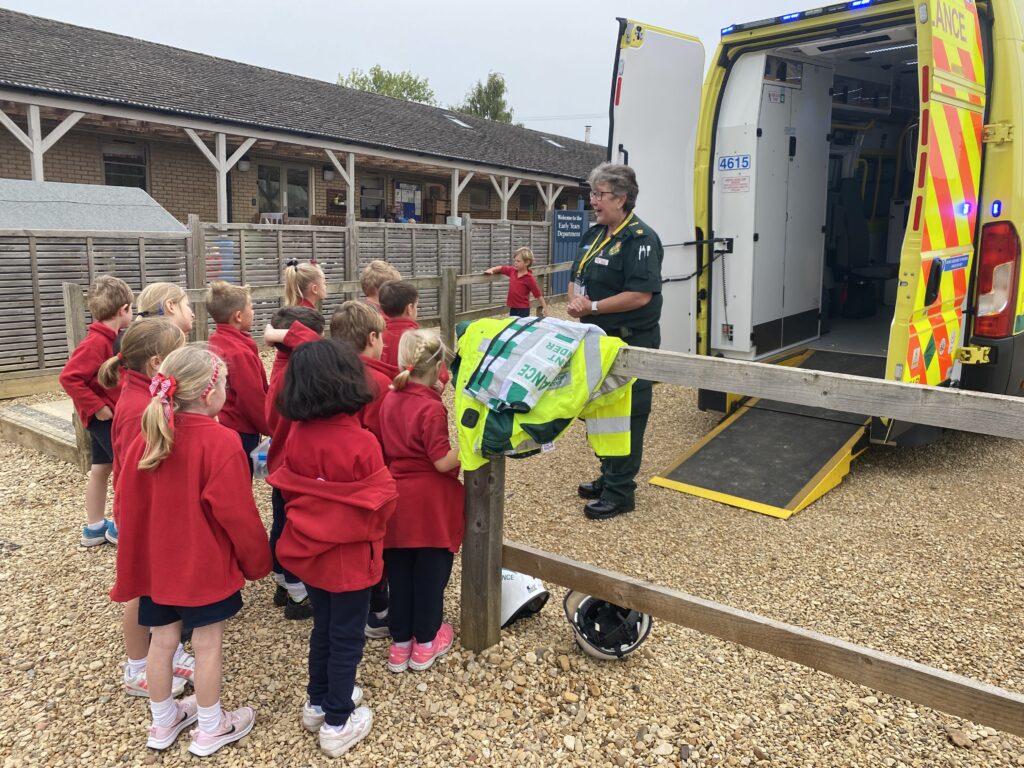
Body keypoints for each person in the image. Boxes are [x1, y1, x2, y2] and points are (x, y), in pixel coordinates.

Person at [111, 345, 272, 756]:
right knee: (207, 644)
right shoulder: (220, 443)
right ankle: (211, 725)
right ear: (207, 393)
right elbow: (238, 514)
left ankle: (163, 722)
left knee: (162, 642)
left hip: (156, 564)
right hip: (203, 564)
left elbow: (125, 504)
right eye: (226, 385)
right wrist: (258, 561)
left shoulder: (146, 437)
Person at [268, 340, 398, 758]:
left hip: (310, 553)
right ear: (348, 382)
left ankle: (318, 700)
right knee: (346, 638)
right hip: (350, 558)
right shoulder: (362, 442)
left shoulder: (298, 436)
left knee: (324, 628)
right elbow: (384, 505)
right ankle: (338, 720)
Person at [98, 318, 189, 698]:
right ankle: (137, 665)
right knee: (139, 586)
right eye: (179, 356)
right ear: (156, 364)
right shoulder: (140, 407)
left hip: (148, 508)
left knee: (158, 583)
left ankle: (169, 650)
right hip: (142, 512)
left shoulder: (143, 394)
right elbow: (140, 468)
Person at [567, 162, 664, 521]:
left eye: (600, 195)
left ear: (622, 198)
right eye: (592, 194)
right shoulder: (593, 235)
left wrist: (591, 305)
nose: (593, 201)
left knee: (629, 413)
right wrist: (576, 301)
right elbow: (578, 275)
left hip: (629, 342)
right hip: (597, 339)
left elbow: (640, 295)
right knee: (602, 409)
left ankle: (621, 491)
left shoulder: (640, 239)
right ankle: (609, 474)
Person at [377, 330, 463, 673]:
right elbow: (441, 461)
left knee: (399, 576)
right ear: (439, 368)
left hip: (397, 501)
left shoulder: (389, 399)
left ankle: (400, 646)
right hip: (429, 506)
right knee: (430, 575)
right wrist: (472, 446)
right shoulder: (430, 408)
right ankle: (426, 642)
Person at [329, 300, 399, 639]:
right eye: (382, 338)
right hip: (370, 475)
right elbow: (387, 435)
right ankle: (378, 607)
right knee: (374, 542)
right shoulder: (378, 384)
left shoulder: (324, 373)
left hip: (331, 477)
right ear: (372, 338)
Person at [58, 275, 134, 547]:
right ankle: (120, 528)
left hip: (105, 416)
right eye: (131, 310)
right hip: (104, 418)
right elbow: (69, 377)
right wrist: (97, 407)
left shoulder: (111, 339)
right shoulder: (96, 342)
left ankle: (94, 527)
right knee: (126, 469)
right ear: (124, 310)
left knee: (101, 468)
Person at [261, 307, 324, 620]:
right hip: (293, 467)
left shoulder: (283, 366)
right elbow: (319, 348)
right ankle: (298, 594)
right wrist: (280, 336)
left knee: (282, 521)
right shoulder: (294, 375)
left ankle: (284, 584)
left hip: (281, 464)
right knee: (293, 528)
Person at [207, 281, 269, 471]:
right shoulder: (239, 353)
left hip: (223, 424)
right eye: (251, 307)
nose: (254, 312)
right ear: (238, 316)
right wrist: (272, 428)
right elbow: (252, 399)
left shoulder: (215, 341)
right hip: (241, 430)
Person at [378, 281, 450, 389]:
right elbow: (442, 376)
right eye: (417, 305)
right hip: (419, 399)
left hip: (387, 400)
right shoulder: (421, 339)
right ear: (410, 308)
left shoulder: (377, 339)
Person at [483, 246, 547, 318]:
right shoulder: (512, 271)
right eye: (515, 260)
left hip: (523, 309)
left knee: (520, 327)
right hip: (513, 308)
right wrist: (491, 270)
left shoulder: (530, 278)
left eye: (518, 261)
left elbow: (538, 295)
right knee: (513, 326)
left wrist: (544, 307)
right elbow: (501, 268)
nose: (515, 263)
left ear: (527, 262)